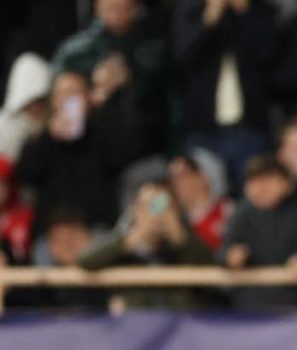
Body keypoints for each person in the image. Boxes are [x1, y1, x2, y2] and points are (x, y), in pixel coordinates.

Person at [174, 0, 280, 192]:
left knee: (254, 192)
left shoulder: (261, 10)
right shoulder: (190, 10)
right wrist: (208, 20)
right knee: (204, 196)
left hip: (250, 126)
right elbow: (183, 57)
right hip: (203, 128)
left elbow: (268, 53)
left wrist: (245, 12)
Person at [17, 70, 140, 235]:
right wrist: (48, 137)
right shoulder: (39, 138)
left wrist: (101, 113)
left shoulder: (104, 132)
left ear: (88, 98)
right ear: (53, 101)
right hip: (52, 234)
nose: (68, 98)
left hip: (96, 228)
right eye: (62, 93)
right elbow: (26, 176)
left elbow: (124, 157)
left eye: (75, 92)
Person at [51, 0, 170, 154]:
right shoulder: (74, 53)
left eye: (123, 7)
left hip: (145, 144)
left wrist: (131, 76)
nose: (118, 13)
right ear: (97, 5)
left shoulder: (153, 47)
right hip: (85, 148)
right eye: (112, 7)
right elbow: (57, 107)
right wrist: (92, 95)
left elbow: (166, 98)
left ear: (135, 7)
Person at [77, 179, 217, 309]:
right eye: (149, 206)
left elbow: (210, 271)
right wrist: (133, 238)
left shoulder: (182, 245)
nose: (155, 215)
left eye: (163, 207)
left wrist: (179, 237)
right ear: (136, 210)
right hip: (137, 326)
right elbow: (86, 260)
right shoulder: (123, 247)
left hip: (178, 328)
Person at [221, 155, 297, 307]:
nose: (261, 187)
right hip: (248, 300)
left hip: (293, 301)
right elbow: (224, 252)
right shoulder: (242, 215)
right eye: (254, 181)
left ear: (287, 184)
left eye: (268, 180)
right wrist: (231, 257)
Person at [168, 150, 233, 252]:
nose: (176, 183)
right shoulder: (169, 206)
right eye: (173, 177)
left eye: (183, 176)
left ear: (204, 177)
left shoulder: (227, 210)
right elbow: (147, 214)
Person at [0, 52, 51, 163]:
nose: (36, 108)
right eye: (30, 102)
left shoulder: (53, 125)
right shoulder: (4, 128)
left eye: (41, 101)